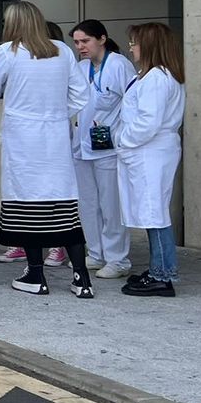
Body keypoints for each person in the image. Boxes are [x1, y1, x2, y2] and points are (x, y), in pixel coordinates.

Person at [0, 2, 94, 298]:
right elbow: (81, 94)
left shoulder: (9, 51)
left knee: (26, 206)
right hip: (54, 138)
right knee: (64, 207)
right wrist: (55, 113)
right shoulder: (62, 51)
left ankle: (35, 274)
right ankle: (81, 278)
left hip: (22, 139)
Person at [116, 23, 186, 298]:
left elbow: (148, 122)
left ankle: (162, 274)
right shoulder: (154, 75)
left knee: (153, 211)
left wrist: (124, 140)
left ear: (149, 45)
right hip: (150, 151)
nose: (131, 47)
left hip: (149, 151)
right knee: (151, 210)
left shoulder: (158, 77)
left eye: (134, 42)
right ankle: (159, 268)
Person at [70, 19, 135, 279]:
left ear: (102, 39)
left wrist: (120, 135)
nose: (80, 47)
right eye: (76, 42)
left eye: (85, 41)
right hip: (82, 145)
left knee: (111, 205)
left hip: (109, 148)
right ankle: (95, 253)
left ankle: (118, 259)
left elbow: (132, 104)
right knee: (87, 204)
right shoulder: (80, 68)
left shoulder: (119, 66)